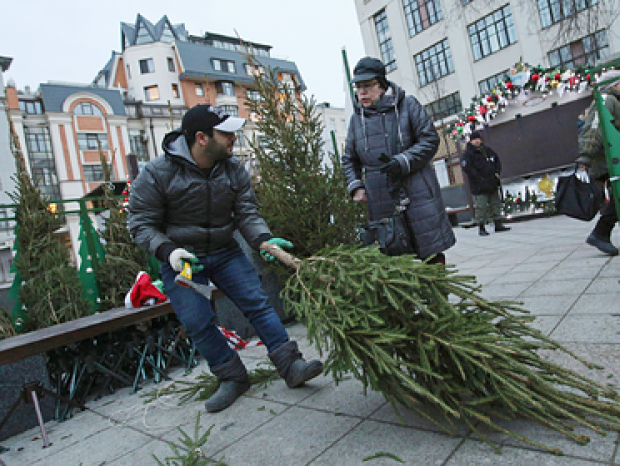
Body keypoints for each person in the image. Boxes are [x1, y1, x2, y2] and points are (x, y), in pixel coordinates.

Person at [128, 104, 322, 413]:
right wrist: (169, 251)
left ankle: (291, 365)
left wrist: (263, 241)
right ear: (202, 138)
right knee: (196, 320)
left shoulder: (232, 169)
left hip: (225, 251)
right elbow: (140, 224)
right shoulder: (157, 173)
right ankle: (232, 377)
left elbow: (246, 212)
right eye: (226, 133)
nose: (234, 138)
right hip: (184, 260)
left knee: (257, 303)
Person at [342, 56, 455, 264]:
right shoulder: (356, 120)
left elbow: (430, 139)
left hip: (417, 190)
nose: (362, 92)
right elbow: (349, 159)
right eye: (358, 87)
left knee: (430, 252)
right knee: (394, 257)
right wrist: (356, 186)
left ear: (382, 85)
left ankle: (437, 296)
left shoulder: (408, 105)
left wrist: (402, 161)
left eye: (368, 86)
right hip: (380, 197)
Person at [578, 70, 620, 256]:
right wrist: (586, 154)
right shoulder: (606, 100)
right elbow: (594, 127)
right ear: (613, 85)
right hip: (618, 161)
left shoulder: (615, 102)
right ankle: (600, 233)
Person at [460, 130, 511, 236]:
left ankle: (498, 224)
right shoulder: (468, 154)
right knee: (481, 207)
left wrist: (497, 172)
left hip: (492, 182)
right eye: (475, 140)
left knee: (495, 204)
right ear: (471, 141)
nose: (477, 141)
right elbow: (467, 168)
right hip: (479, 186)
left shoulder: (487, 151)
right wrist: (478, 178)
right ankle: (481, 227)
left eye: (478, 139)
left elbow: (497, 160)